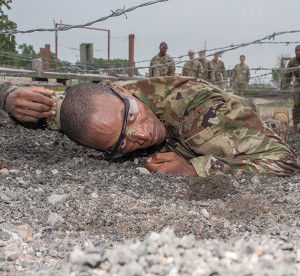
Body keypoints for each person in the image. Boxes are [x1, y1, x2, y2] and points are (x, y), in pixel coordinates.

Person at [2, 77, 300, 178]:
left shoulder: (204, 113)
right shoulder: (109, 104)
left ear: (124, 90)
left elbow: (285, 161)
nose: (143, 136)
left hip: (232, 121)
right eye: (121, 145)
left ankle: (276, 121)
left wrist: (196, 169)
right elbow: (64, 110)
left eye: (132, 118)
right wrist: (10, 98)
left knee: (254, 134)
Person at [281, 45, 300, 132]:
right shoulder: (292, 62)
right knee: (297, 104)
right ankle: (295, 124)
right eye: (296, 50)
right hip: (298, 84)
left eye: (299, 50)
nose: (298, 52)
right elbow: (286, 76)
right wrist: (285, 91)